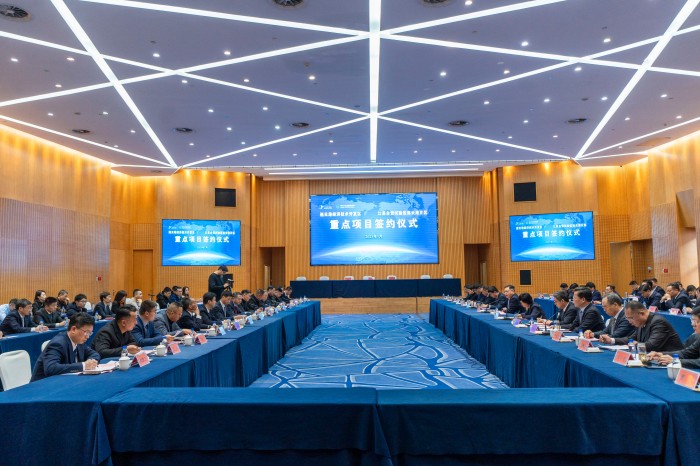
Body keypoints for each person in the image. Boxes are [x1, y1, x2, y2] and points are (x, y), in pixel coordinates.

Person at [30, 313, 101, 382]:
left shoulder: (79, 341)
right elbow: (51, 368)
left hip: (64, 381)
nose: (88, 336)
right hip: (43, 385)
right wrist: (84, 365)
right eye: (86, 332)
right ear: (73, 329)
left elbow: (94, 354)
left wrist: (91, 362)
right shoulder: (58, 343)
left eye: (90, 333)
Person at [600, 301, 683, 352]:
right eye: (627, 318)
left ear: (642, 313)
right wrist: (611, 340)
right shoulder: (641, 322)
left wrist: (635, 344)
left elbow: (651, 346)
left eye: (631, 318)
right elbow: (630, 339)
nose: (629, 321)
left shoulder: (658, 322)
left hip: (671, 360)